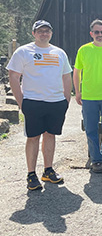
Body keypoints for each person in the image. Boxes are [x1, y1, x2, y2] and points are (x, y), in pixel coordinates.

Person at [8, 20, 72, 190]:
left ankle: (48, 170)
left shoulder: (59, 53)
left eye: (47, 31)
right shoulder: (24, 52)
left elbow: (67, 76)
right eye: (40, 31)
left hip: (56, 102)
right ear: (34, 33)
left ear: (51, 33)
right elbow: (14, 76)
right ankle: (31, 174)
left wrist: (66, 99)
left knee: (50, 135)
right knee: (33, 137)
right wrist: (21, 101)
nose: (44, 33)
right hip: (33, 102)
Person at [73, 19, 102, 173]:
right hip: (89, 97)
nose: (99, 35)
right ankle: (96, 160)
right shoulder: (84, 50)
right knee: (91, 129)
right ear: (91, 33)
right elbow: (77, 72)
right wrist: (77, 91)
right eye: (96, 32)